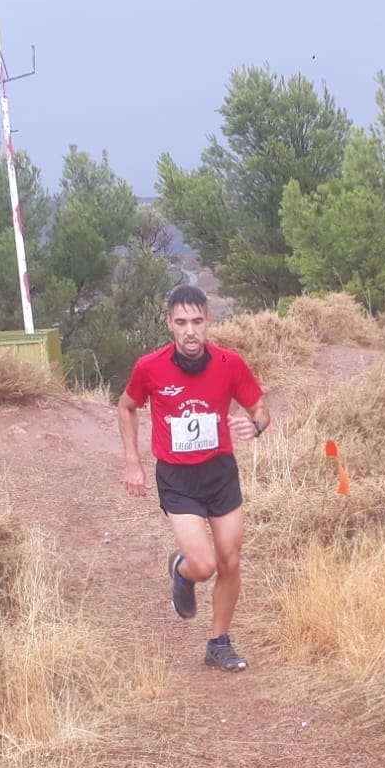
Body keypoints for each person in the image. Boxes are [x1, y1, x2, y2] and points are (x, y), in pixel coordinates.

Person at [118, 284, 271, 671]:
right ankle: (182, 571)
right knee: (204, 566)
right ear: (169, 323)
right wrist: (132, 461)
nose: (190, 331)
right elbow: (127, 406)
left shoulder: (229, 364)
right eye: (182, 322)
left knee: (230, 561)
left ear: (209, 322)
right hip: (178, 478)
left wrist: (256, 426)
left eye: (197, 321)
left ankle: (218, 643)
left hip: (220, 473)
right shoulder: (149, 367)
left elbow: (260, 407)